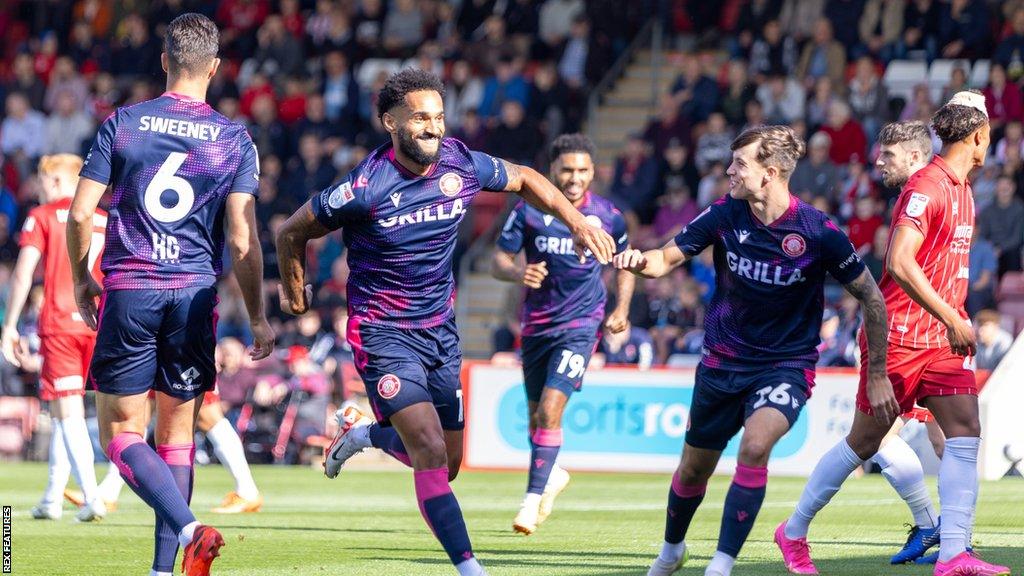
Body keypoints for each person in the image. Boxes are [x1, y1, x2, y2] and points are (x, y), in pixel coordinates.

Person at [273, 68, 614, 576]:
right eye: (420, 118)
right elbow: (291, 231)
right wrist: (295, 287)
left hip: (440, 331)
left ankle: (363, 436)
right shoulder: (365, 188)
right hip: (383, 332)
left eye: (438, 116)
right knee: (429, 450)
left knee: (447, 464)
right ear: (391, 122)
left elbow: (525, 178)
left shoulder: (460, 162)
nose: (433, 127)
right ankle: (469, 568)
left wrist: (578, 221)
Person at [614, 125, 891, 576]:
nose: (729, 170)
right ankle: (671, 551)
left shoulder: (818, 231)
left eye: (739, 163)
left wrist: (876, 371)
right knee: (692, 471)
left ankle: (720, 566)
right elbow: (668, 256)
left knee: (755, 446)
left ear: (771, 173)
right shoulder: (724, 215)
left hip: (785, 365)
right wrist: (640, 261)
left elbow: (872, 297)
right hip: (722, 362)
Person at [66, 13, 275, 576]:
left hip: (131, 288)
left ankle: (188, 530)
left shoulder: (125, 123)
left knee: (119, 434)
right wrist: (257, 314)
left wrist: (83, 277)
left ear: (164, 61)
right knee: (177, 438)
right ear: (214, 67)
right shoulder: (235, 138)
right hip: (194, 293)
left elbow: (82, 212)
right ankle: (166, 569)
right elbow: (241, 236)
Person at [776, 92, 1011, 576]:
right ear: (980, 136)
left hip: (942, 340)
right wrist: (950, 313)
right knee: (865, 442)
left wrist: (949, 320)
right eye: (990, 136)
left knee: (965, 431)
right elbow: (900, 262)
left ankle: (953, 554)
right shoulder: (927, 184)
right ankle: (794, 530)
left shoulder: (963, 188)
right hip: (900, 334)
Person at [490, 133, 633, 535]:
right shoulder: (528, 212)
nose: (574, 177)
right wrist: (519, 271)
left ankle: (530, 502)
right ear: (552, 170)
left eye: (582, 170)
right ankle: (551, 475)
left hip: (581, 324)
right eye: (567, 169)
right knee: (536, 417)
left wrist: (620, 310)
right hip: (536, 326)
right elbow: (498, 260)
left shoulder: (608, 215)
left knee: (551, 410)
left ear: (593, 172)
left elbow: (623, 264)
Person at [1, 154, 107, 522]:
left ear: (60, 182)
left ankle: (92, 497)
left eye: (44, 183)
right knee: (66, 411)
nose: (41, 190)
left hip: (60, 322)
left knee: (68, 409)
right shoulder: (105, 217)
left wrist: (10, 325)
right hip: (98, 322)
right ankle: (52, 497)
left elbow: (23, 273)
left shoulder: (42, 216)